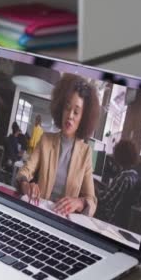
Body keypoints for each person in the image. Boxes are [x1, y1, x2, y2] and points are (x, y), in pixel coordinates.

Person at [16, 74, 100, 217]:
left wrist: (79, 203)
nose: (70, 116)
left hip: (64, 221)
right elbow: (24, 172)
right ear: (60, 108)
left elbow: (91, 201)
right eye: (67, 108)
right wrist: (26, 185)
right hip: (38, 213)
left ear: (83, 118)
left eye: (76, 112)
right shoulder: (46, 140)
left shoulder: (85, 153)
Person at [95, 140, 141, 226]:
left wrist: (93, 188)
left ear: (119, 156)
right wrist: (104, 187)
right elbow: (139, 203)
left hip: (107, 218)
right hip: (119, 221)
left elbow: (103, 200)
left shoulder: (122, 178)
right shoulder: (135, 175)